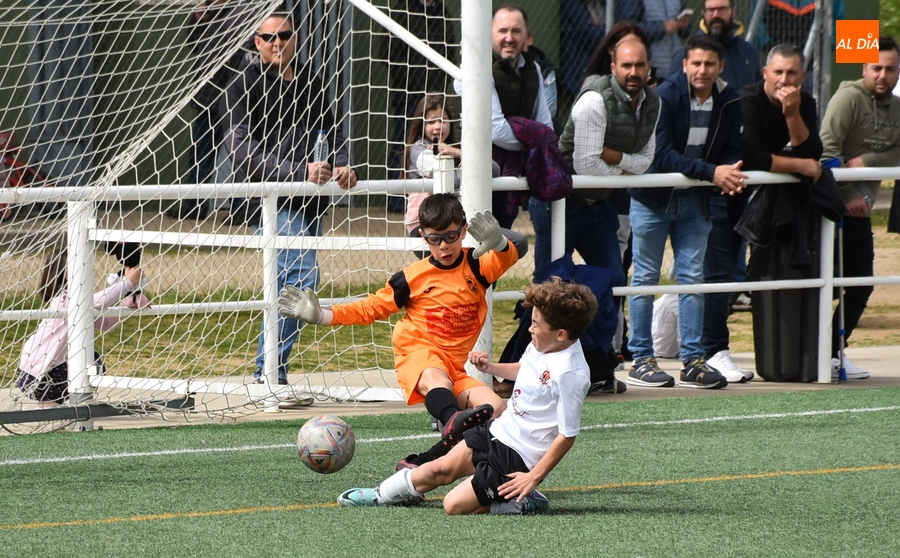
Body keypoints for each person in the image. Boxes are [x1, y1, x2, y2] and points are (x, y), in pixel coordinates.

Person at [278, 193, 524, 468]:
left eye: (451, 236)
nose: (443, 246)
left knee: (496, 410)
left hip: (455, 368)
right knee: (436, 377)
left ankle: (422, 462)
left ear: (464, 230)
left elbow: (507, 258)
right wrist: (323, 315)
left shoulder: (477, 266)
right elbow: (370, 308)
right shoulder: (411, 277)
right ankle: (452, 420)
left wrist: (500, 243)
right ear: (422, 235)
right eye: (434, 238)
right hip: (418, 354)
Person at [336, 277, 597, 514]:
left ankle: (523, 499)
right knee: (439, 469)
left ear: (561, 334)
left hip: (518, 458)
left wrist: (533, 477)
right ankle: (380, 495)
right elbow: (527, 369)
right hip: (498, 430)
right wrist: (491, 368)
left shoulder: (570, 374)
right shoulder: (544, 343)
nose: (530, 329)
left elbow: (567, 435)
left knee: (453, 506)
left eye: (536, 325)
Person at [222, 12, 357, 395]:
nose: (277, 42)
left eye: (284, 35)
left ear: (295, 37)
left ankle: (268, 373)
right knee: (302, 277)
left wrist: (345, 166)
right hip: (266, 202)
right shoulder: (242, 84)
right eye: (269, 37)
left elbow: (333, 134)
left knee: (287, 286)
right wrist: (298, 171)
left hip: (310, 203)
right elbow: (241, 151)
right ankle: (271, 373)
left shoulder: (310, 82)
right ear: (256, 42)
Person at [532, 38, 660, 394]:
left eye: (639, 65)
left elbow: (646, 162)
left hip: (598, 205)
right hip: (561, 205)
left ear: (648, 67)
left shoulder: (653, 102)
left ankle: (597, 365)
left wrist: (613, 156)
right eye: (626, 65)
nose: (633, 72)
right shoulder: (592, 101)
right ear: (613, 65)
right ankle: (537, 371)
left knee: (611, 282)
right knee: (548, 288)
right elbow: (585, 164)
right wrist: (626, 166)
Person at [630, 35, 746, 389]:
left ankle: (693, 360)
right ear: (684, 65)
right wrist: (713, 172)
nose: (702, 70)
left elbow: (730, 147)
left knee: (694, 280)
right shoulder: (663, 96)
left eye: (709, 64)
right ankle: (641, 359)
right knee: (645, 278)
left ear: (720, 66)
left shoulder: (729, 98)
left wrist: (727, 169)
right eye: (695, 63)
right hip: (653, 199)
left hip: (696, 201)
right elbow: (660, 154)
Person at [819, 37, 900, 380]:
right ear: (863, 68)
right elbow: (825, 152)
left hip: (863, 213)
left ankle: (835, 350)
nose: (883, 75)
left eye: (890, 69)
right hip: (832, 211)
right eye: (876, 68)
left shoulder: (897, 107)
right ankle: (815, 350)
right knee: (827, 285)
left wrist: (868, 160)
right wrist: (850, 191)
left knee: (862, 285)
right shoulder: (847, 98)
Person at [455, 4, 553, 229]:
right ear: (490, 33)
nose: (509, 38)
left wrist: (537, 137)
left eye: (516, 31)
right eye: (502, 31)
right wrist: (534, 141)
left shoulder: (534, 69)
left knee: (502, 247)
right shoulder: (474, 68)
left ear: (526, 36)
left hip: (512, 176)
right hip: (472, 175)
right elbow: (496, 130)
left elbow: (546, 127)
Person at [16, 249, 151, 407]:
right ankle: (52, 400)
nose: (90, 270)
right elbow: (98, 302)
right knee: (92, 362)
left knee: (92, 360)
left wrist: (127, 305)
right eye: (84, 266)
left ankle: (49, 403)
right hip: (38, 376)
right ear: (67, 273)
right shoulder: (64, 299)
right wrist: (127, 282)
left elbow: (105, 324)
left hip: (37, 374)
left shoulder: (76, 303)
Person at [168, 0, 250, 222]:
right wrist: (197, 19)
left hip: (237, 99)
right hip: (208, 100)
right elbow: (194, 45)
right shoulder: (205, 11)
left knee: (241, 155)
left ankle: (242, 209)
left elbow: (237, 55)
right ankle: (195, 206)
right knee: (199, 155)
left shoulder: (244, 10)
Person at [381, 0, 457, 214]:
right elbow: (388, 52)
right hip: (408, 97)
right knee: (404, 143)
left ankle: (437, 198)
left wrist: (438, 87)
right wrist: (411, 82)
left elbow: (449, 50)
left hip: (436, 95)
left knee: (438, 148)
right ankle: (397, 200)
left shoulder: (444, 12)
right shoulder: (401, 9)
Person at [673, 0, 762, 92]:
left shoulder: (748, 51)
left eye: (722, 9)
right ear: (703, 13)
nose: (716, 15)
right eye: (711, 10)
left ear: (733, 11)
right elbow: (673, 96)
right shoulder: (688, 54)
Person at [641, 0, 693, 80]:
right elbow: (628, 26)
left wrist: (684, 25)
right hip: (651, 66)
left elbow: (685, 33)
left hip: (677, 65)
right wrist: (662, 27)